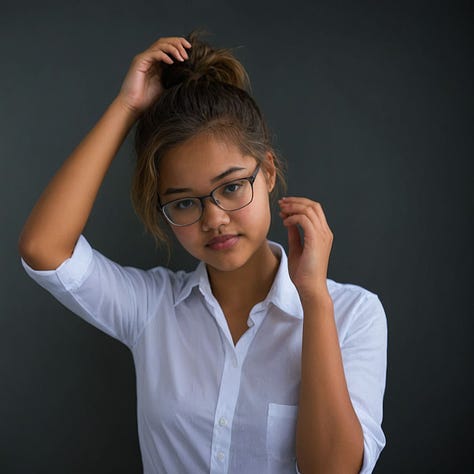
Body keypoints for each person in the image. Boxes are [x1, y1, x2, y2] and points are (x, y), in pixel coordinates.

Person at [18, 30, 387, 474]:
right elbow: (44, 248)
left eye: (232, 187)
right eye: (185, 202)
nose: (213, 219)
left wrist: (313, 299)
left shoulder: (354, 315)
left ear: (268, 171)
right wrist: (127, 107)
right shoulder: (152, 309)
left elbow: (333, 470)